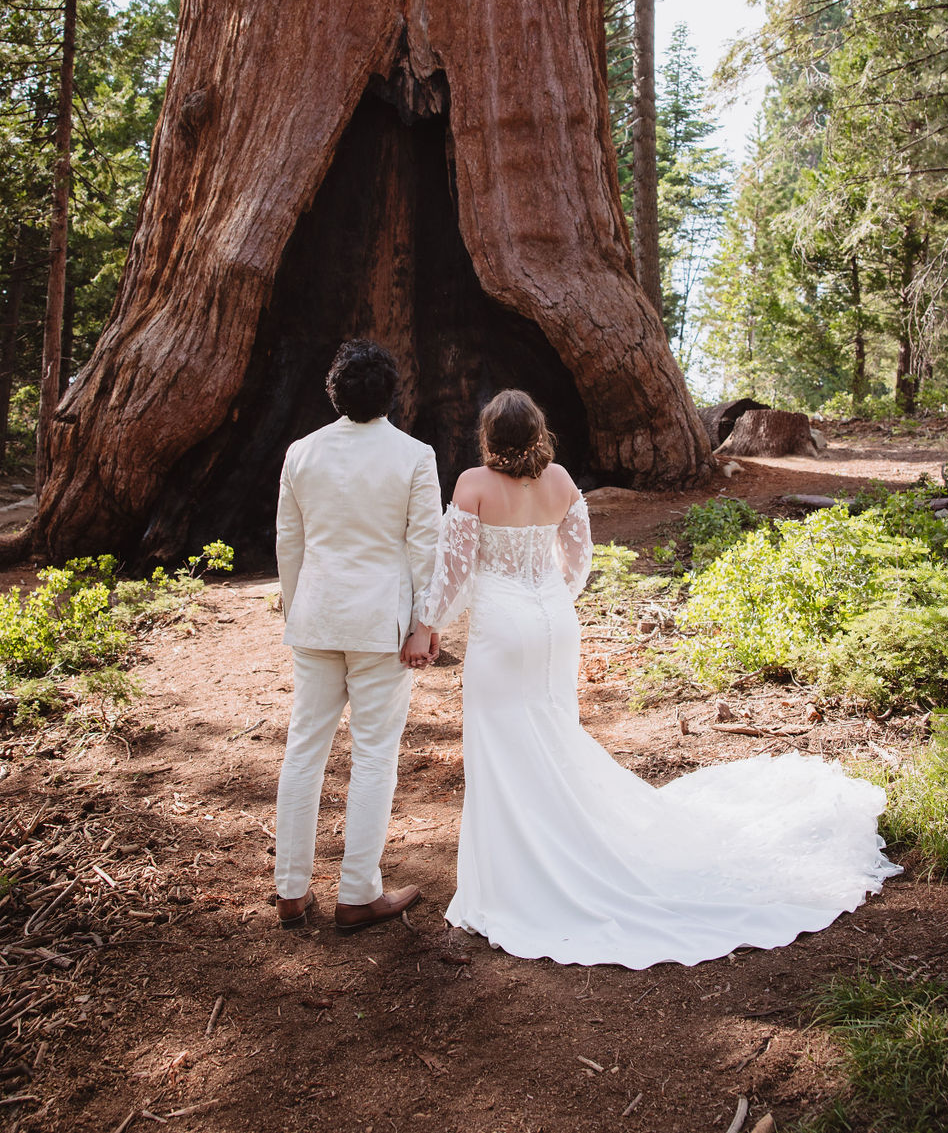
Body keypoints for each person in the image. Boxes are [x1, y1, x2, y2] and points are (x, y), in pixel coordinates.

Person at [425, 388, 900, 969]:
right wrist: (554, 602)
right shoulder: (561, 482)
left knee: (504, 747)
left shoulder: (472, 485)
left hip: (503, 630)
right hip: (553, 623)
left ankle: (511, 881)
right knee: (553, 735)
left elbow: (451, 574)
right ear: (538, 433)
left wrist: (428, 625)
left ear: (490, 438)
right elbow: (578, 561)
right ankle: (569, 845)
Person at [274, 339, 442, 934]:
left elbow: (288, 544)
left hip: (316, 618)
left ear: (334, 392)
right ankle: (357, 893)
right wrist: (426, 625)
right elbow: (427, 547)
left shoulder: (301, 453)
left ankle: (291, 891)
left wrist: (297, 613)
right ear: (394, 392)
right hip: (381, 628)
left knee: (304, 749)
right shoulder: (415, 457)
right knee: (374, 755)